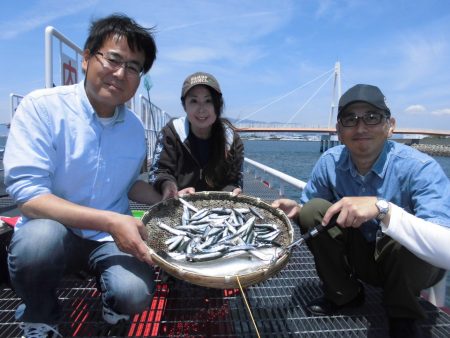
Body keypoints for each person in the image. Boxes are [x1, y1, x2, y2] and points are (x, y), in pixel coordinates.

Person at [4, 14, 162, 337]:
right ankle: (40, 316)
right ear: (87, 57)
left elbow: (132, 183)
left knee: (134, 292)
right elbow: (29, 197)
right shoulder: (41, 107)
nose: (121, 73)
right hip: (56, 232)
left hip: (108, 240)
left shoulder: (134, 128)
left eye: (133, 67)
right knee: (35, 245)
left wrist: (164, 197)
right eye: (114, 59)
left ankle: (113, 302)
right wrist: (109, 221)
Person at [273, 84, 450, 338]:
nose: (361, 128)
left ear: (391, 126)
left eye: (372, 117)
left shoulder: (420, 168)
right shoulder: (330, 163)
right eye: (350, 119)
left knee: (404, 234)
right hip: (362, 257)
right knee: (312, 210)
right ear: (339, 131)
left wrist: (384, 210)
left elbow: (446, 249)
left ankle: (402, 314)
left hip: (411, 267)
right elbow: (314, 213)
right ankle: (345, 294)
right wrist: (297, 209)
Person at [149, 71, 244, 200]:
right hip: (181, 205)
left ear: (218, 104)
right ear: (184, 105)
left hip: (219, 209)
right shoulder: (171, 133)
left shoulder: (232, 139)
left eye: (208, 100)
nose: (201, 109)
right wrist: (169, 186)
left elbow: (235, 180)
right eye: (194, 101)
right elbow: (158, 172)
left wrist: (232, 191)